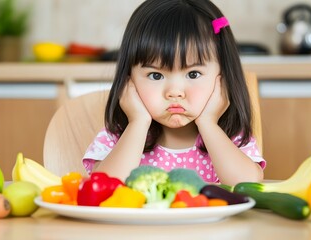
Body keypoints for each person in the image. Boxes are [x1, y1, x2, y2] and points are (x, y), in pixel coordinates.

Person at [83, 0, 265, 186]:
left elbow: (248, 185)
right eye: (155, 75)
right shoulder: (119, 134)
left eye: (193, 74)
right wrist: (137, 123)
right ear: (129, 80)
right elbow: (104, 186)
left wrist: (208, 123)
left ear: (223, 77)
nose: (175, 92)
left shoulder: (230, 134)